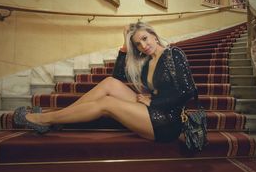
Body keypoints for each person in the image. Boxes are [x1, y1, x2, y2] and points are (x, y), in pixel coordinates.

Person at [13, 22, 197, 142]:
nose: (143, 45)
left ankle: (44, 119)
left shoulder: (174, 54)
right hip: (155, 109)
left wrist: (154, 101)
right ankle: (62, 116)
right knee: (110, 83)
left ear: (154, 36)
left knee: (107, 104)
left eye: (144, 38)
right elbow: (117, 77)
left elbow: (188, 91)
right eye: (138, 44)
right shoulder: (147, 62)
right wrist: (125, 48)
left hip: (168, 120)